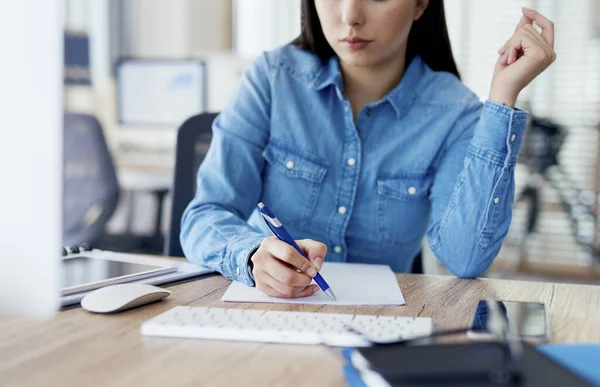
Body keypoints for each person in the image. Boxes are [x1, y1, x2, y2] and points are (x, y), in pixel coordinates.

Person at [181, 0, 556, 298]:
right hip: (265, 314)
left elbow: (466, 258)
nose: (350, 16)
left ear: (421, 4)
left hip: (381, 330)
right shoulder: (272, 78)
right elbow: (204, 216)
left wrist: (503, 97)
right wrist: (250, 255)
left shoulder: (455, 112)